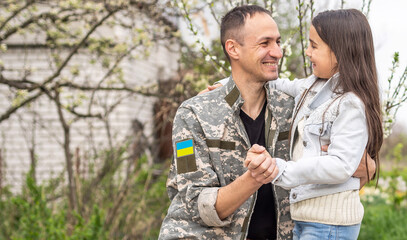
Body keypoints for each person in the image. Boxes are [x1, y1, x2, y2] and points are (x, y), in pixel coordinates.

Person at [159, 5, 375, 240]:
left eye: (278, 42)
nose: (278, 52)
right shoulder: (192, 114)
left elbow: (348, 152)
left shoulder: (297, 109)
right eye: (265, 44)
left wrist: (368, 165)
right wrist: (255, 177)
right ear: (233, 48)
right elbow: (194, 203)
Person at [244, 9, 382, 240]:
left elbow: (340, 166)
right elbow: (277, 84)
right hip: (308, 219)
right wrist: (225, 86)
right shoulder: (312, 86)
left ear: (339, 52)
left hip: (329, 224)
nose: (307, 52)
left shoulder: (350, 104)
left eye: (314, 46)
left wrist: (281, 169)